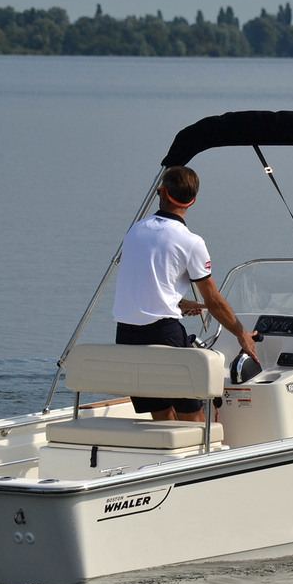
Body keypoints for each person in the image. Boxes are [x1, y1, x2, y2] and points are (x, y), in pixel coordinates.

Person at [112, 165, 258, 422]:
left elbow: (141, 283)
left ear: (162, 193)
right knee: (192, 415)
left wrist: (177, 303)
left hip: (126, 335)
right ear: (193, 200)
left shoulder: (135, 231)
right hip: (163, 336)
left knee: (161, 415)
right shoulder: (191, 242)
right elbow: (213, 301)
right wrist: (242, 334)